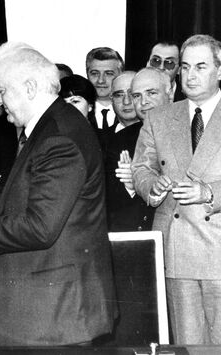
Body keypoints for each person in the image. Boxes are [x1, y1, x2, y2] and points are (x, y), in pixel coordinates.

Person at [0, 42, 117, 346]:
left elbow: (40, 227)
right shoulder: (50, 126)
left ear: (29, 87)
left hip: (55, 314)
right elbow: (42, 197)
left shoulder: (58, 137)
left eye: (3, 90)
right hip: (46, 307)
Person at [132, 34, 221, 345]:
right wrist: (151, 189)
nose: (191, 75)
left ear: (219, 71)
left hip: (218, 245)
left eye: (201, 66)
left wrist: (209, 192)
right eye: (185, 67)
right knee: (188, 346)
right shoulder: (159, 117)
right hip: (176, 248)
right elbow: (141, 168)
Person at [103, 71, 156, 232]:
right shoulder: (106, 140)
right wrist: (130, 187)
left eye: (132, 94)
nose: (126, 101)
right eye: (119, 95)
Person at [86, 47, 124, 133]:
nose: (101, 80)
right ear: (87, 75)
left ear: (120, 75)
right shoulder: (77, 112)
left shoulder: (132, 111)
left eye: (108, 74)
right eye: (95, 74)